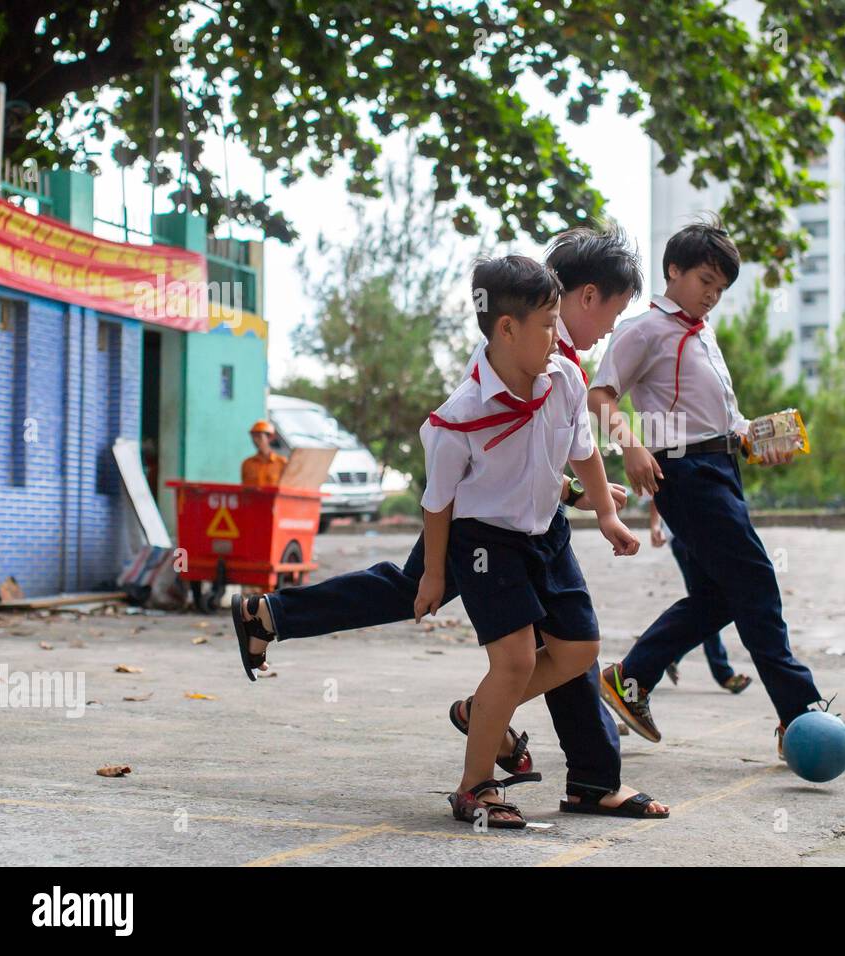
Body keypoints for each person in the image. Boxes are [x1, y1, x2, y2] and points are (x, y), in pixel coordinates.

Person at [230, 225, 669, 818]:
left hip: (526, 521)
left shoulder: (553, 362)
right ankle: (539, 765)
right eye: (613, 311)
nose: (613, 328)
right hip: (481, 527)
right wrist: (570, 494)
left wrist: (583, 498)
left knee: (551, 639)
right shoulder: (515, 358)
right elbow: (477, 466)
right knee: (491, 633)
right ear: (585, 297)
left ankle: (274, 615)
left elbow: (555, 447)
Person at [589, 216, 845, 761]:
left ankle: (632, 677)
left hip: (721, 470)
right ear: (673, 271)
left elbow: (724, 418)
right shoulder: (644, 330)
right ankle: (799, 712)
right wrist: (632, 445)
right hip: (685, 475)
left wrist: (754, 437)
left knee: (722, 595)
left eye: (719, 290)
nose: (711, 297)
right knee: (758, 582)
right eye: (704, 282)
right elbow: (599, 397)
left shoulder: (703, 333)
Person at [415, 255, 638, 827]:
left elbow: (583, 452)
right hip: (486, 543)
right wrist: (435, 576)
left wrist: (608, 516)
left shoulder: (563, 379)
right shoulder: (457, 418)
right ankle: (475, 788)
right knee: (513, 662)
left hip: (546, 536)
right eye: (546, 324)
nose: (555, 334)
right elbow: (436, 504)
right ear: (507, 328)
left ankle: (484, 707)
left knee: (578, 650)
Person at [648, 500, 752, 694]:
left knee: (709, 602)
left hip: (709, 529)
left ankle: (669, 653)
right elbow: (655, 487)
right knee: (709, 603)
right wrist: (655, 525)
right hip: (685, 534)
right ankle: (722, 673)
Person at [240, 420, 286, 488]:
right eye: (254, 437)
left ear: (270, 437)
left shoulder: (282, 463)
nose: (255, 440)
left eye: (259, 436)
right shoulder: (247, 464)